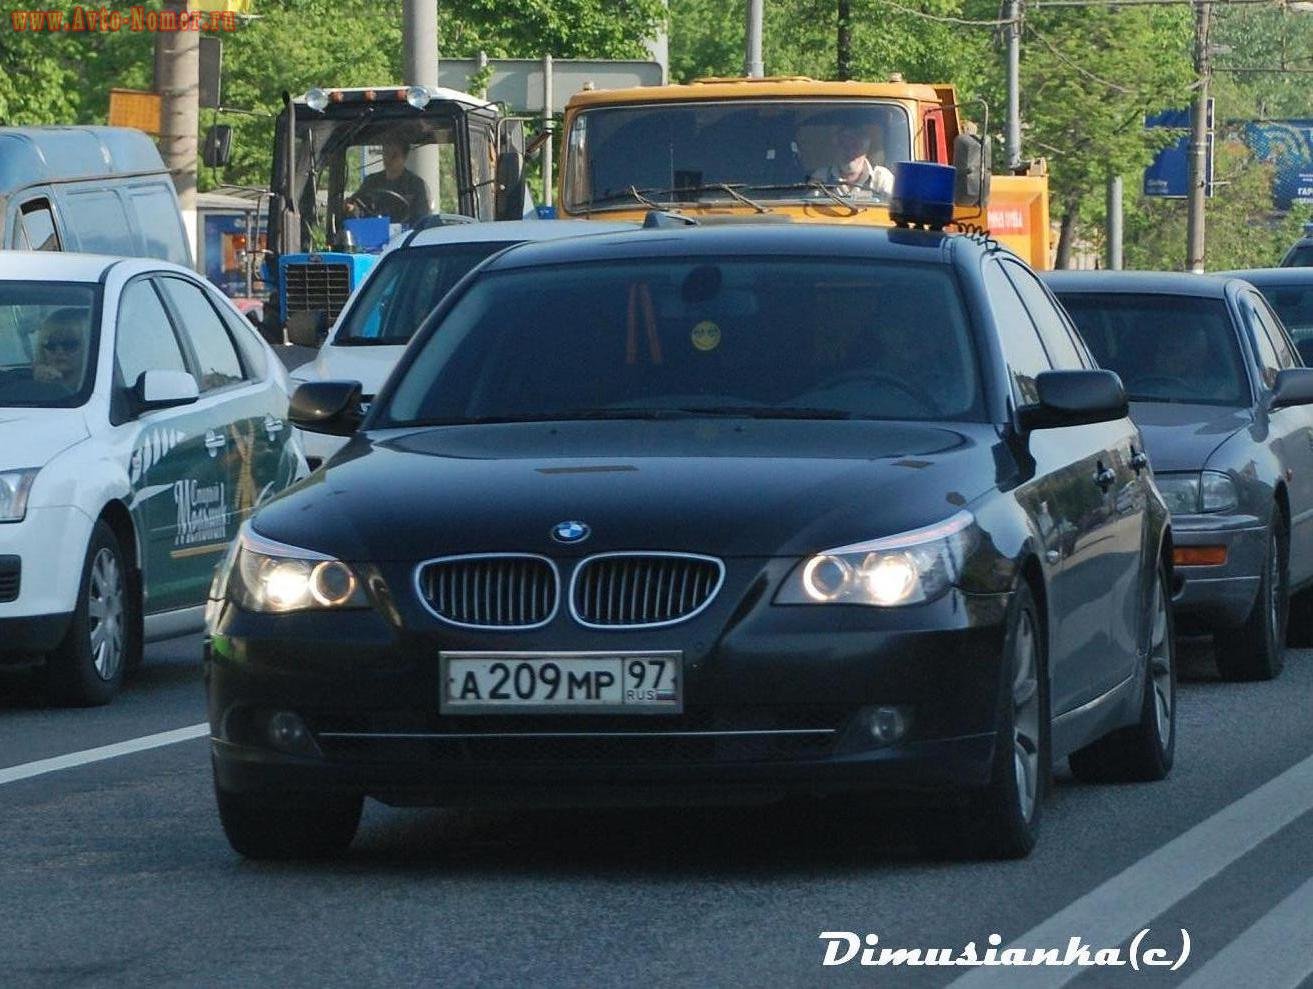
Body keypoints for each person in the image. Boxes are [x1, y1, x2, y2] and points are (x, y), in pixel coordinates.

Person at [346, 138, 432, 226]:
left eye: (394, 155)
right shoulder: (371, 182)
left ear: (404, 157)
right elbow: (357, 204)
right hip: (374, 232)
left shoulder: (415, 184)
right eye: (386, 153)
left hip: (405, 235)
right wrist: (353, 209)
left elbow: (422, 218)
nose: (388, 159)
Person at [809, 121, 894, 199]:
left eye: (855, 145)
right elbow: (809, 208)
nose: (850, 151)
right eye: (844, 144)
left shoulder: (881, 177)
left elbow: (896, 209)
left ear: (866, 147)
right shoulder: (821, 177)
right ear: (836, 147)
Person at [31, 308, 89, 393]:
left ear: (87, 346)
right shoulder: (29, 384)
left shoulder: (102, 383)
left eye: (69, 344)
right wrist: (42, 386)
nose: (59, 351)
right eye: (51, 345)